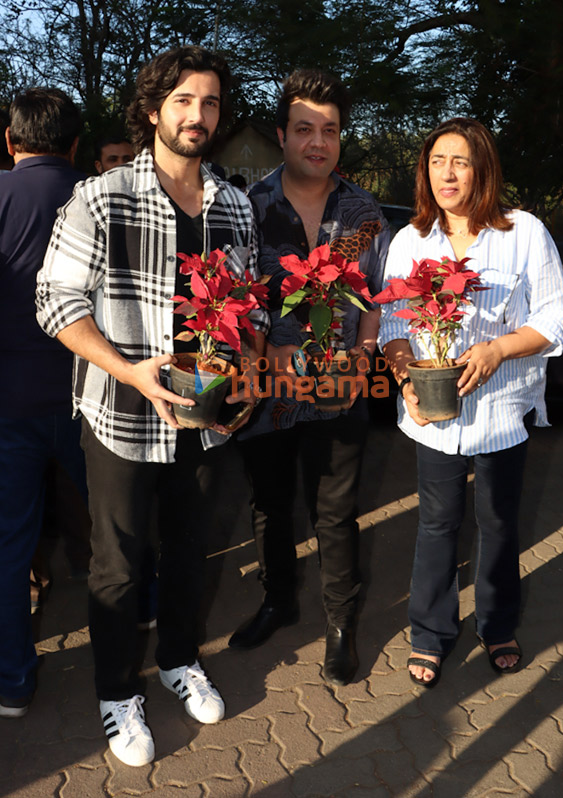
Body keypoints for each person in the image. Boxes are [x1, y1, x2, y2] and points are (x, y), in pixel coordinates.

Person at [37, 45, 267, 767]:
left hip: (207, 418)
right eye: (183, 101)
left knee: (191, 554)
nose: (197, 115)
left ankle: (176, 661)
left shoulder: (233, 205)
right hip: (122, 417)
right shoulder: (101, 197)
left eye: (209, 103)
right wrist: (129, 372)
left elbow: (247, 308)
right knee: (117, 566)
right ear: (152, 110)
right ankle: (116, 695)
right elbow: (55, 300)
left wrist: (252, 368)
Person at [378, 117, 563, 688]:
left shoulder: (524, 232)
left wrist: (498, 351)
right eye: (437, 160)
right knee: (437, 524)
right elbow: (392, 321)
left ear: (482, 168)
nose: (447, 172)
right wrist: (403, 379)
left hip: (500, 412)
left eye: (460, 161)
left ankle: (497, 623)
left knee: (498, 523)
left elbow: (557, 316)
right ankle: (431, 632)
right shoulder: (412, 240)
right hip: (434, 416)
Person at [229, 70, 391, 686]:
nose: (317, 142)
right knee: (269, 505)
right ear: (282, 136)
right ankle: (277, 601)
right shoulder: (249, 208)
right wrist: (258, 355)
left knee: (336, 511)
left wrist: (366, 352)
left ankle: (341, 625)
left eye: (329, 130)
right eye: (304, 130)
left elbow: (377, 297)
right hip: (269, 395)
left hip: (338, 391)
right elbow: (238, 294)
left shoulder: (363, 212)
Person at [0, 88, 87, 718]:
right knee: (117, 526)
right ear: (76, 144)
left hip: (10, 403)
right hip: (94, 396)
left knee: (8, 546)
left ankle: (13, 679)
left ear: (11, 141)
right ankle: (140, 627)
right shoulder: (102, 196)